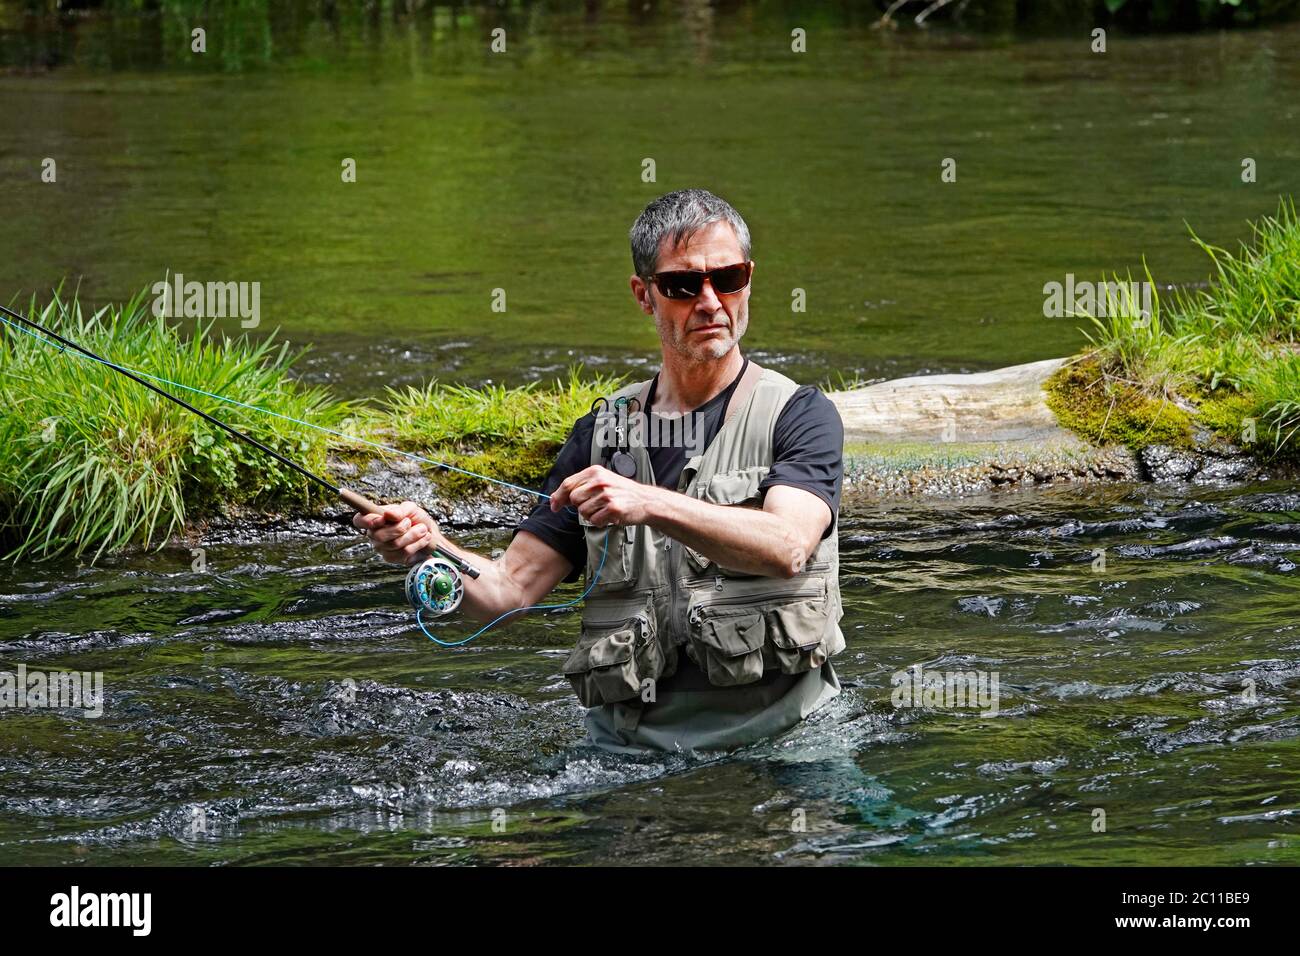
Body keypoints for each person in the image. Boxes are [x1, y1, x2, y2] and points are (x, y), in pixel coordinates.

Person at [355, 188, 846, 754]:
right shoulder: (600, 435)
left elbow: (787, 546)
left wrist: (647, 501)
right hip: (626, 753)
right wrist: (429, 547)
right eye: (683, 286)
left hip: (786, 742)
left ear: (749, 279)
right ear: (644, 295)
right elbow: (508, 593)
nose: (710, 302)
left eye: (727, 279)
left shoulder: (800, 414)